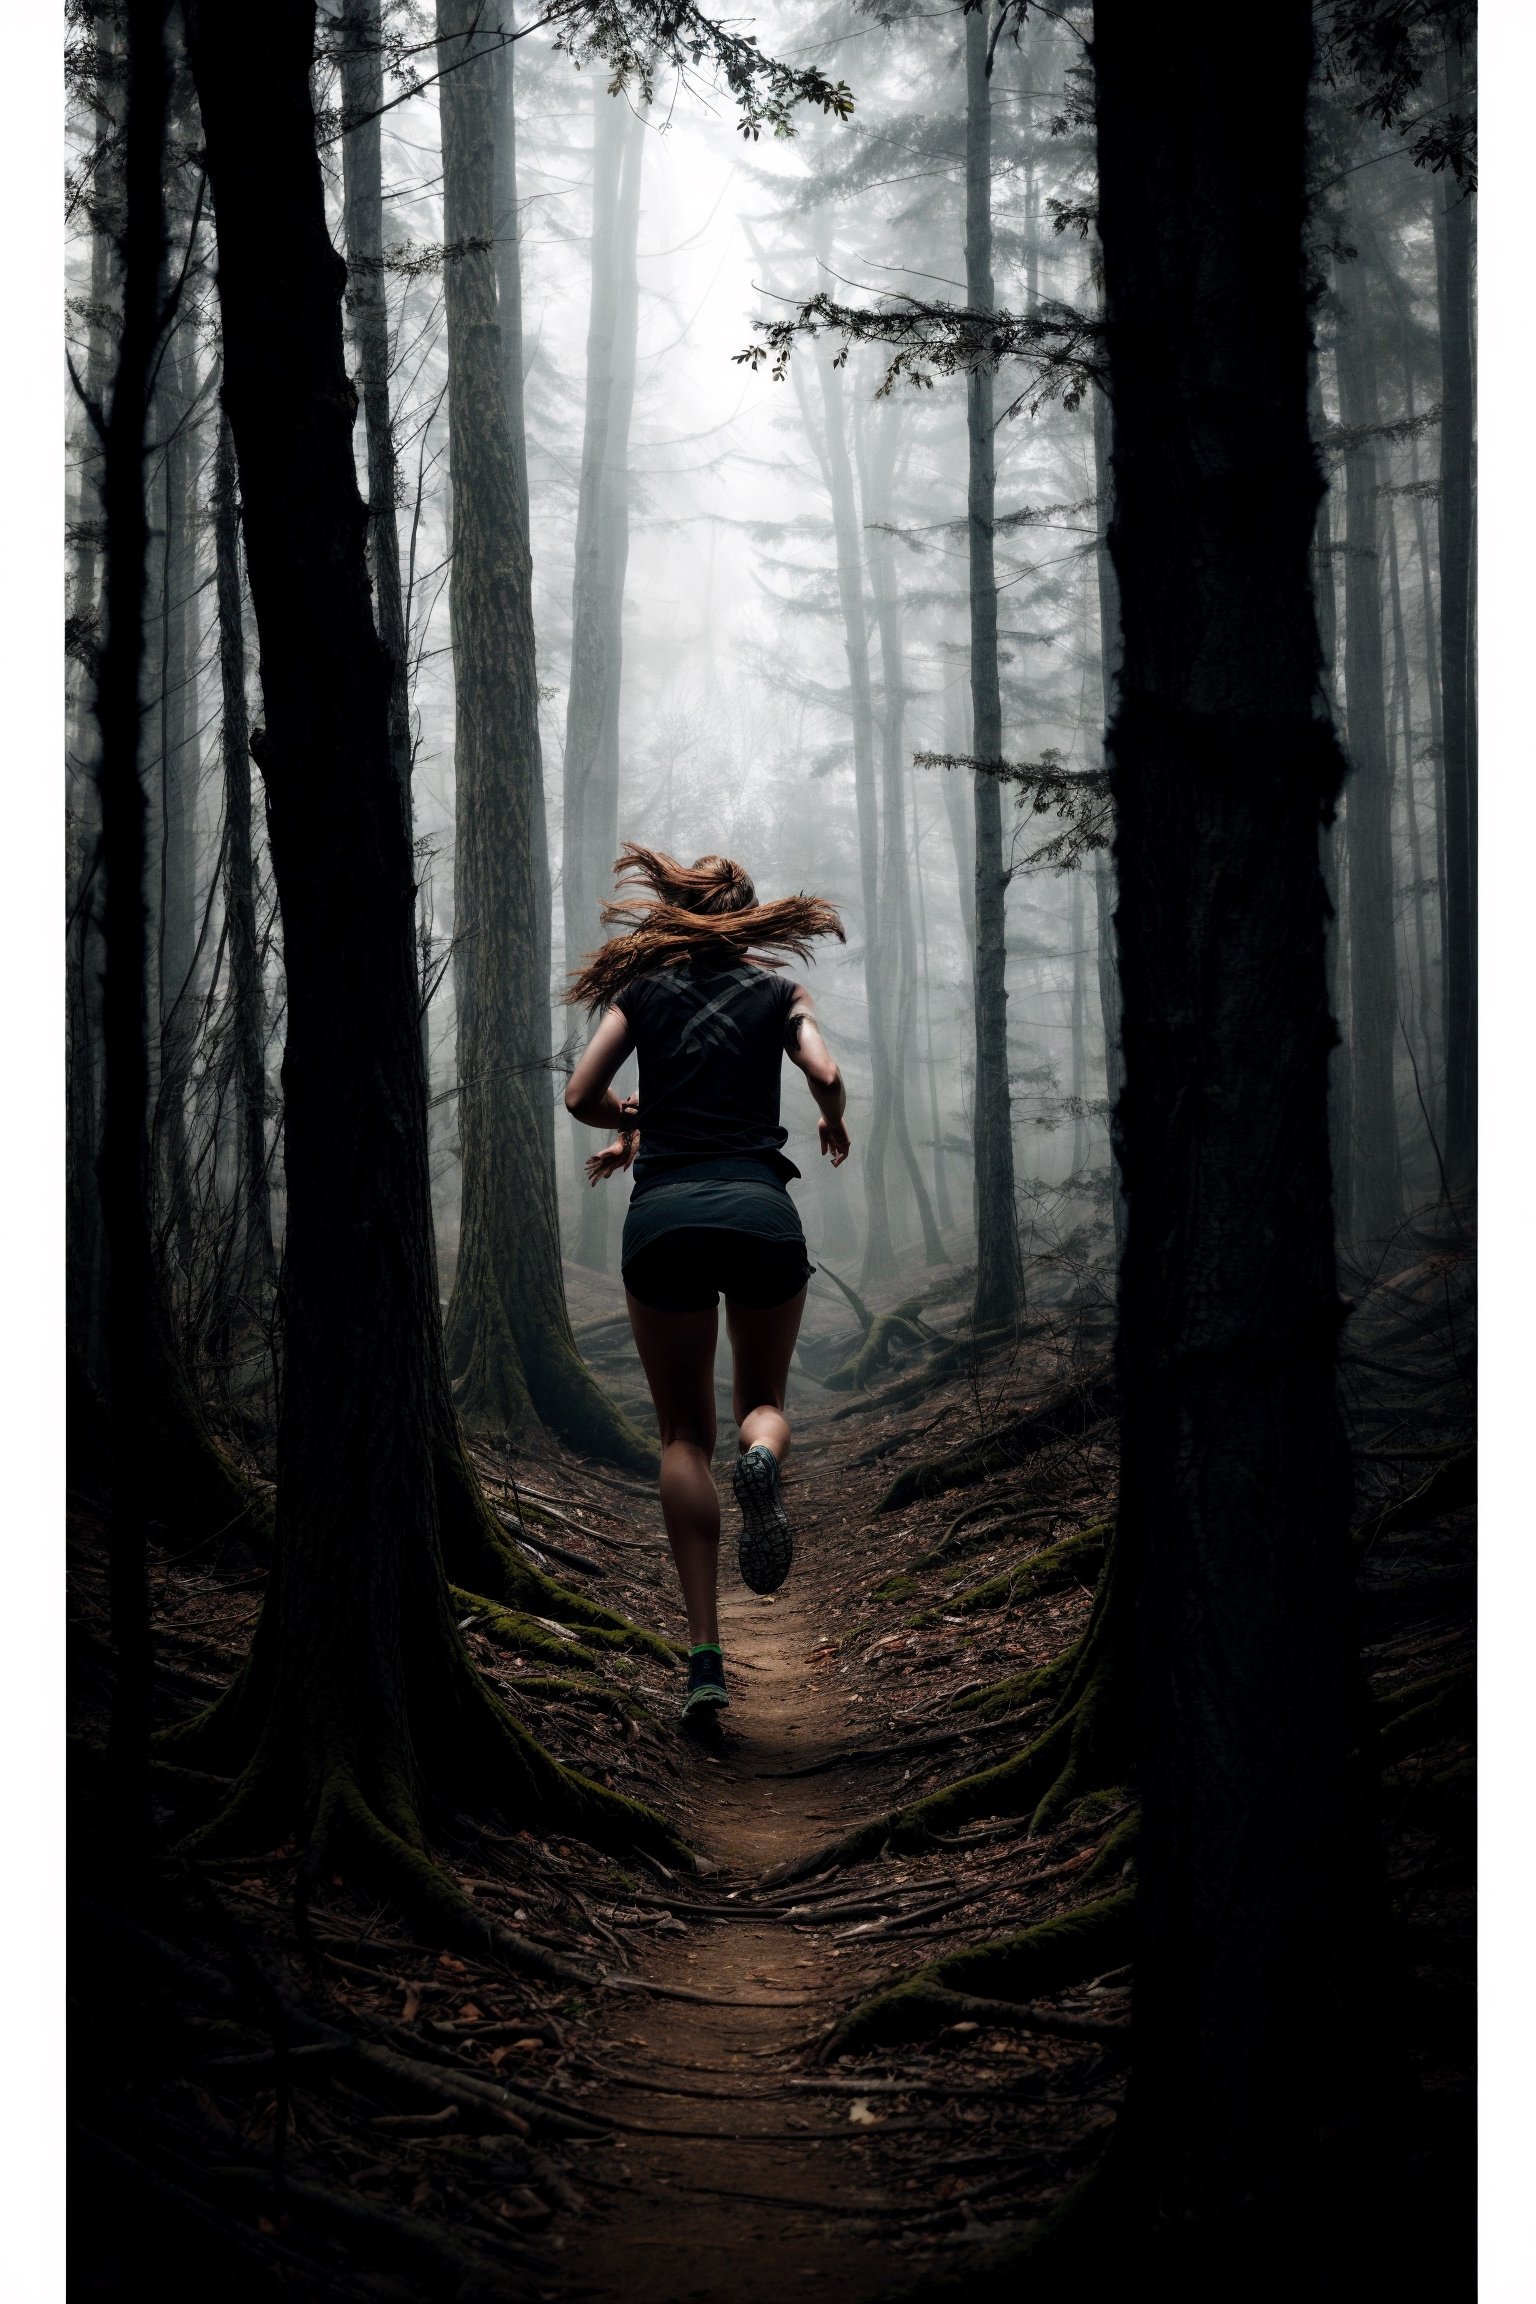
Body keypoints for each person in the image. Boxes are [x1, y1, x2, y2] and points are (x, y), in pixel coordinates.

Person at [564, 846, 850, 1725]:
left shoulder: (641, 995)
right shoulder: (777, 994)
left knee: (682, 1434)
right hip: (762, 1213)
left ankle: (703, 1663)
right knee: (760, 1397)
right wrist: (832, 1123)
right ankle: (761, 1461)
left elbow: (582, 1095)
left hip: (664, 1223)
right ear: (751, 916)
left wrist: (631, 1122)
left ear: (682, 914)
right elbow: (826, 1073)